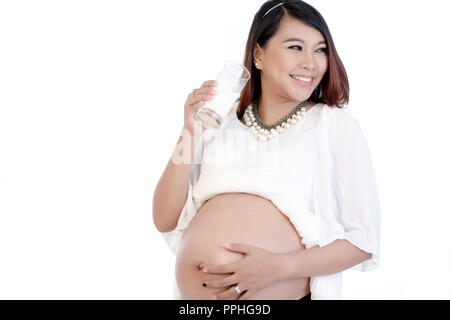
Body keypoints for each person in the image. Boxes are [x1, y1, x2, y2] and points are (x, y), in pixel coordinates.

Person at [153, 0, 381, 300]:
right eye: (295, 47)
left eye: (321, 49)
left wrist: (280, 267)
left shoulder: (334, 126)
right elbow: (164, 218)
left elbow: (363, 242)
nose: (310, 63)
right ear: (258, 54)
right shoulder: (219, 120)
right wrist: (190, 131)